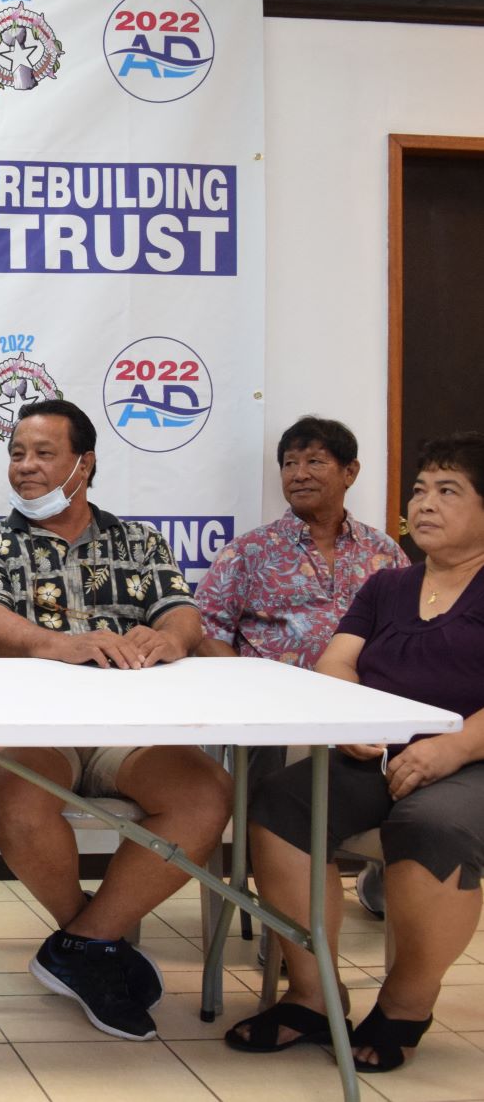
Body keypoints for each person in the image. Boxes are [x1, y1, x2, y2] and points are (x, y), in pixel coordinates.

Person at [0, 398, 231, 1041]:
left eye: (44, 454)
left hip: (128, 733)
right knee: (18, 799)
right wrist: (58, 644)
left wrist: (172, 640)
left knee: (205, 793)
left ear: (84, 464)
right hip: (33, 730)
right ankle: (94, 945)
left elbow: (181, 613)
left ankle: (82, 944)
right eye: (17, 454)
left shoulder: (138, 540)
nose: (26, 467)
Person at [226, 431, 484, 1075]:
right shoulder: (388, 585)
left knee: (429, 821)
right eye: (420, 489)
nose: (425, 503)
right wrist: (350, 719)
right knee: (282, 800)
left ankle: (405, 1004)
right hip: (383, 751)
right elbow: (338, 662)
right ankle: (313, 995)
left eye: (448, 491)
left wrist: (454, 748)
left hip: (472, 761)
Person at [196, 415, 406, 913]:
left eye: (315, 461)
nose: (299, 473)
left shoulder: (383, 552)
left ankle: (382, 865)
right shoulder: (251, 550)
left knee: (408, 750)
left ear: (350, 471)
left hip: (361, 709)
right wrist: (248, 690)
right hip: (275, 716)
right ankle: (282, 912)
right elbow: (206, 630)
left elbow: (407, 634)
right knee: (274, 777)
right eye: (290, 463)